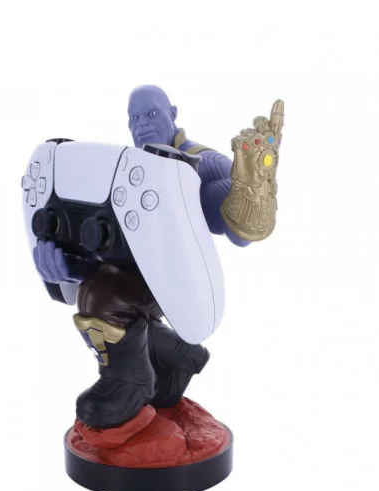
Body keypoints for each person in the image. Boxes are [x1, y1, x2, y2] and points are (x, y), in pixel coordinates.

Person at [33, 85, 283, 428]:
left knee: (99, 296)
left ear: (173, 114)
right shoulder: (126, 166)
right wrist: (64, 267)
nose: (142, 124)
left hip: (175, 280)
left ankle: (130, 383)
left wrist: (256, 187)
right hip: (135, 271)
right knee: (96, 287)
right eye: (134, 118)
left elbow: (239, 229)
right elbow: (109, 248)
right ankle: (177, 356)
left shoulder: (198, 163)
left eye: (151, 114)